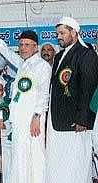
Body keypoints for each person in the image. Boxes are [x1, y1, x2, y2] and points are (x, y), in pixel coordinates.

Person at [0, 20, 52, 183]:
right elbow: (5, 51)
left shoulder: (42, 66)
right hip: (19, 120)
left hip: (33, 120)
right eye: (21, 44)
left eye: (27, 44)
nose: (23, 47)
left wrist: (36, 116)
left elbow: (44, 94)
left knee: (34, 156)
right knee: (20, 157)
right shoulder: (23, 64)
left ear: (36, 47)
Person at [46, 16, 98, 183]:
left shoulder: (86, 54)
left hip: (77, 124)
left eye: (62, 33)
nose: (58, 36)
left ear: (74, 32)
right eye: (57, 34)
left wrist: (83, 119)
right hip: (58, 123)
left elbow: (88, 89)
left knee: (76, 166)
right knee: (60, 165)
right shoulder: (60, 56)